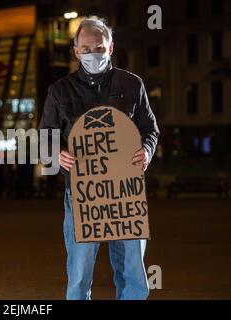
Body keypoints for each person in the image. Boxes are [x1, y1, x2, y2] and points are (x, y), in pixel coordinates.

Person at [38, 16, 160, 300]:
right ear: (76, 51)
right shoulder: (59, 91)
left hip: (125, 193)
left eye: (100, 47)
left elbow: (149, 129)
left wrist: (147, 150)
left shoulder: (132, 84)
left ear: (111, 47)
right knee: (79, 273)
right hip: (83, 193)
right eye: (86, 48)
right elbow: (45, 136)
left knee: (133, 271)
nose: (93, 53)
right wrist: (56, 154)